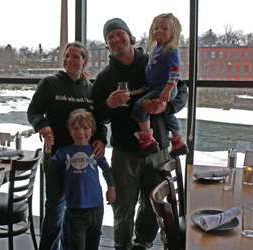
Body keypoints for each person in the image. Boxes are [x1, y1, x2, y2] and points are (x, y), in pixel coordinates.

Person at [92, 18, 188, 250]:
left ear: (129, 35)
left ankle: (142, 244)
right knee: (123, 206)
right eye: (110, 37)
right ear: (107, 45)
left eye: (119, 33)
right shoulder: (105, 77)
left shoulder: (152, 59)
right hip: (125, 152)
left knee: (152, 203)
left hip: (158, 148)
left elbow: (181, 89)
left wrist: (167, 106)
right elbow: (97, 117)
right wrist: (109, 104)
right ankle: (121, 245)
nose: (116, 39)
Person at [27, 42, 107, 250]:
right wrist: (43, 127)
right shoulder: (50, 83)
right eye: (67, 56)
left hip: (82, 159)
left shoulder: (91, 89)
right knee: (54, 209)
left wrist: (101, 139)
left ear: (84, 61)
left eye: (76, 57)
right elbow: (34, 112)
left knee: (76, 209)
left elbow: (99, 122)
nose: (70, 60)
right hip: (55, 155)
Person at [50, 108, 116, 250]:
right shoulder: (63, 153)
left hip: (97, 208)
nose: (80, 132)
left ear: (92, 130)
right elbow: (51, 167)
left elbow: (107, 170)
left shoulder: (95, 151)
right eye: (76, 128)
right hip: (75, 210)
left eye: (85, 128)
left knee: (93, 244)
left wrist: (111, 188)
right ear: (69, 130)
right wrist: (47, 150)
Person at [133, 13, 187, 156]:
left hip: (164, 88)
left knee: (140, 106)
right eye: (156, 28)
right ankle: (177, 140)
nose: (159, 31)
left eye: (164, 28)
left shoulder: (170, 49)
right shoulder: (156, 48)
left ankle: (147, 138)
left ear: (173, 32)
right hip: (157, 87)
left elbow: (175, 71)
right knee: (167, 115)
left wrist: (168, 88)